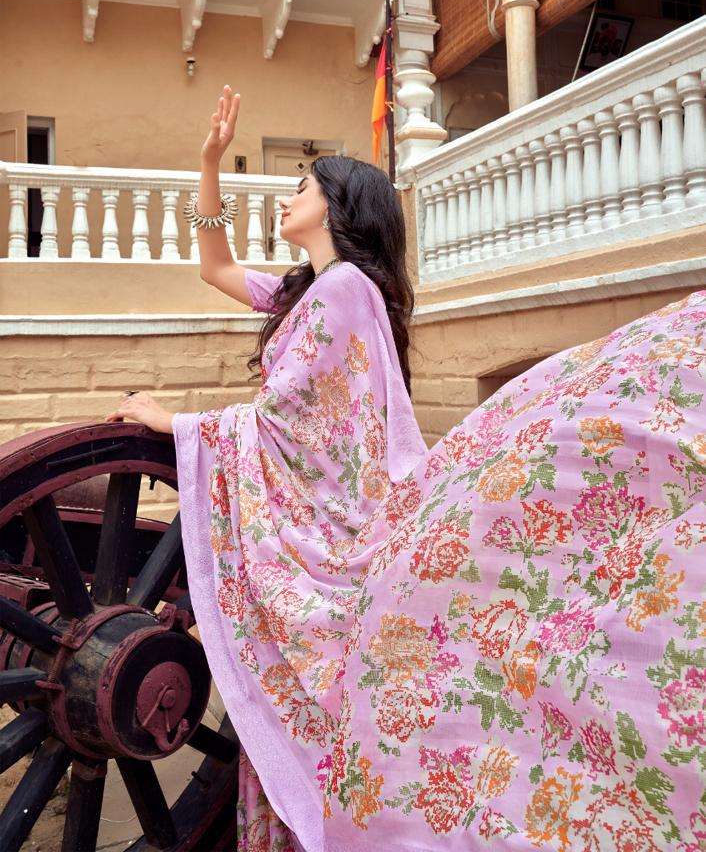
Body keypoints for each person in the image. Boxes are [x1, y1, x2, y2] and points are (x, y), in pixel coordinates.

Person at [107, 87, 706, 851]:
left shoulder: (346, 291)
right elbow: (215, 267)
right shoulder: (307, 292)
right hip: (322, 499)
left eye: (300, 186)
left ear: (336, 206)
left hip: (342, 520)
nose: (287, 198)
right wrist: (208, 163)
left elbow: (297, 419)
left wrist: (181, 425)